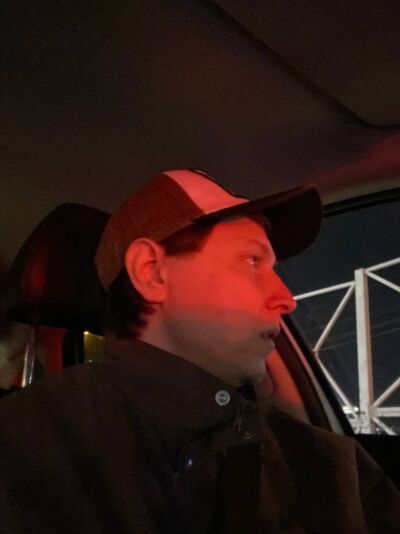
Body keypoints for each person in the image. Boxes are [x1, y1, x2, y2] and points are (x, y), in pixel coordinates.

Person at [0, 169, 399, 533]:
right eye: (253, 260)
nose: (287, 299)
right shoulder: (21, 447)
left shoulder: (336, 463)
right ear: (152, 271)